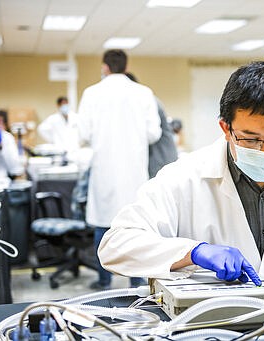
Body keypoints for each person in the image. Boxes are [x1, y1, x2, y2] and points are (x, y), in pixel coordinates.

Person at [98, 61, 264, 286]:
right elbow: (115, 245)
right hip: (211, 325)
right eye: (250, 139)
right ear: (225, 128)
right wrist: (193, 252)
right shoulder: (182, 178)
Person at [78, 49, 162, 290]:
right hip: (134, 172)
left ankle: (104, 280)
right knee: (136, 228)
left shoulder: (91, 93)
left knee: (103, 227)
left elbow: (83, 134)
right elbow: (153, 133)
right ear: (126, 67)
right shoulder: (143, 93)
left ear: (105, 67)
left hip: (104, 172)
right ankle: (136, 283)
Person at [125, 72, 178, 178]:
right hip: (158, 160)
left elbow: (152, 134)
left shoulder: (148, 101)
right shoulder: (144, 101)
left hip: (161, 159)